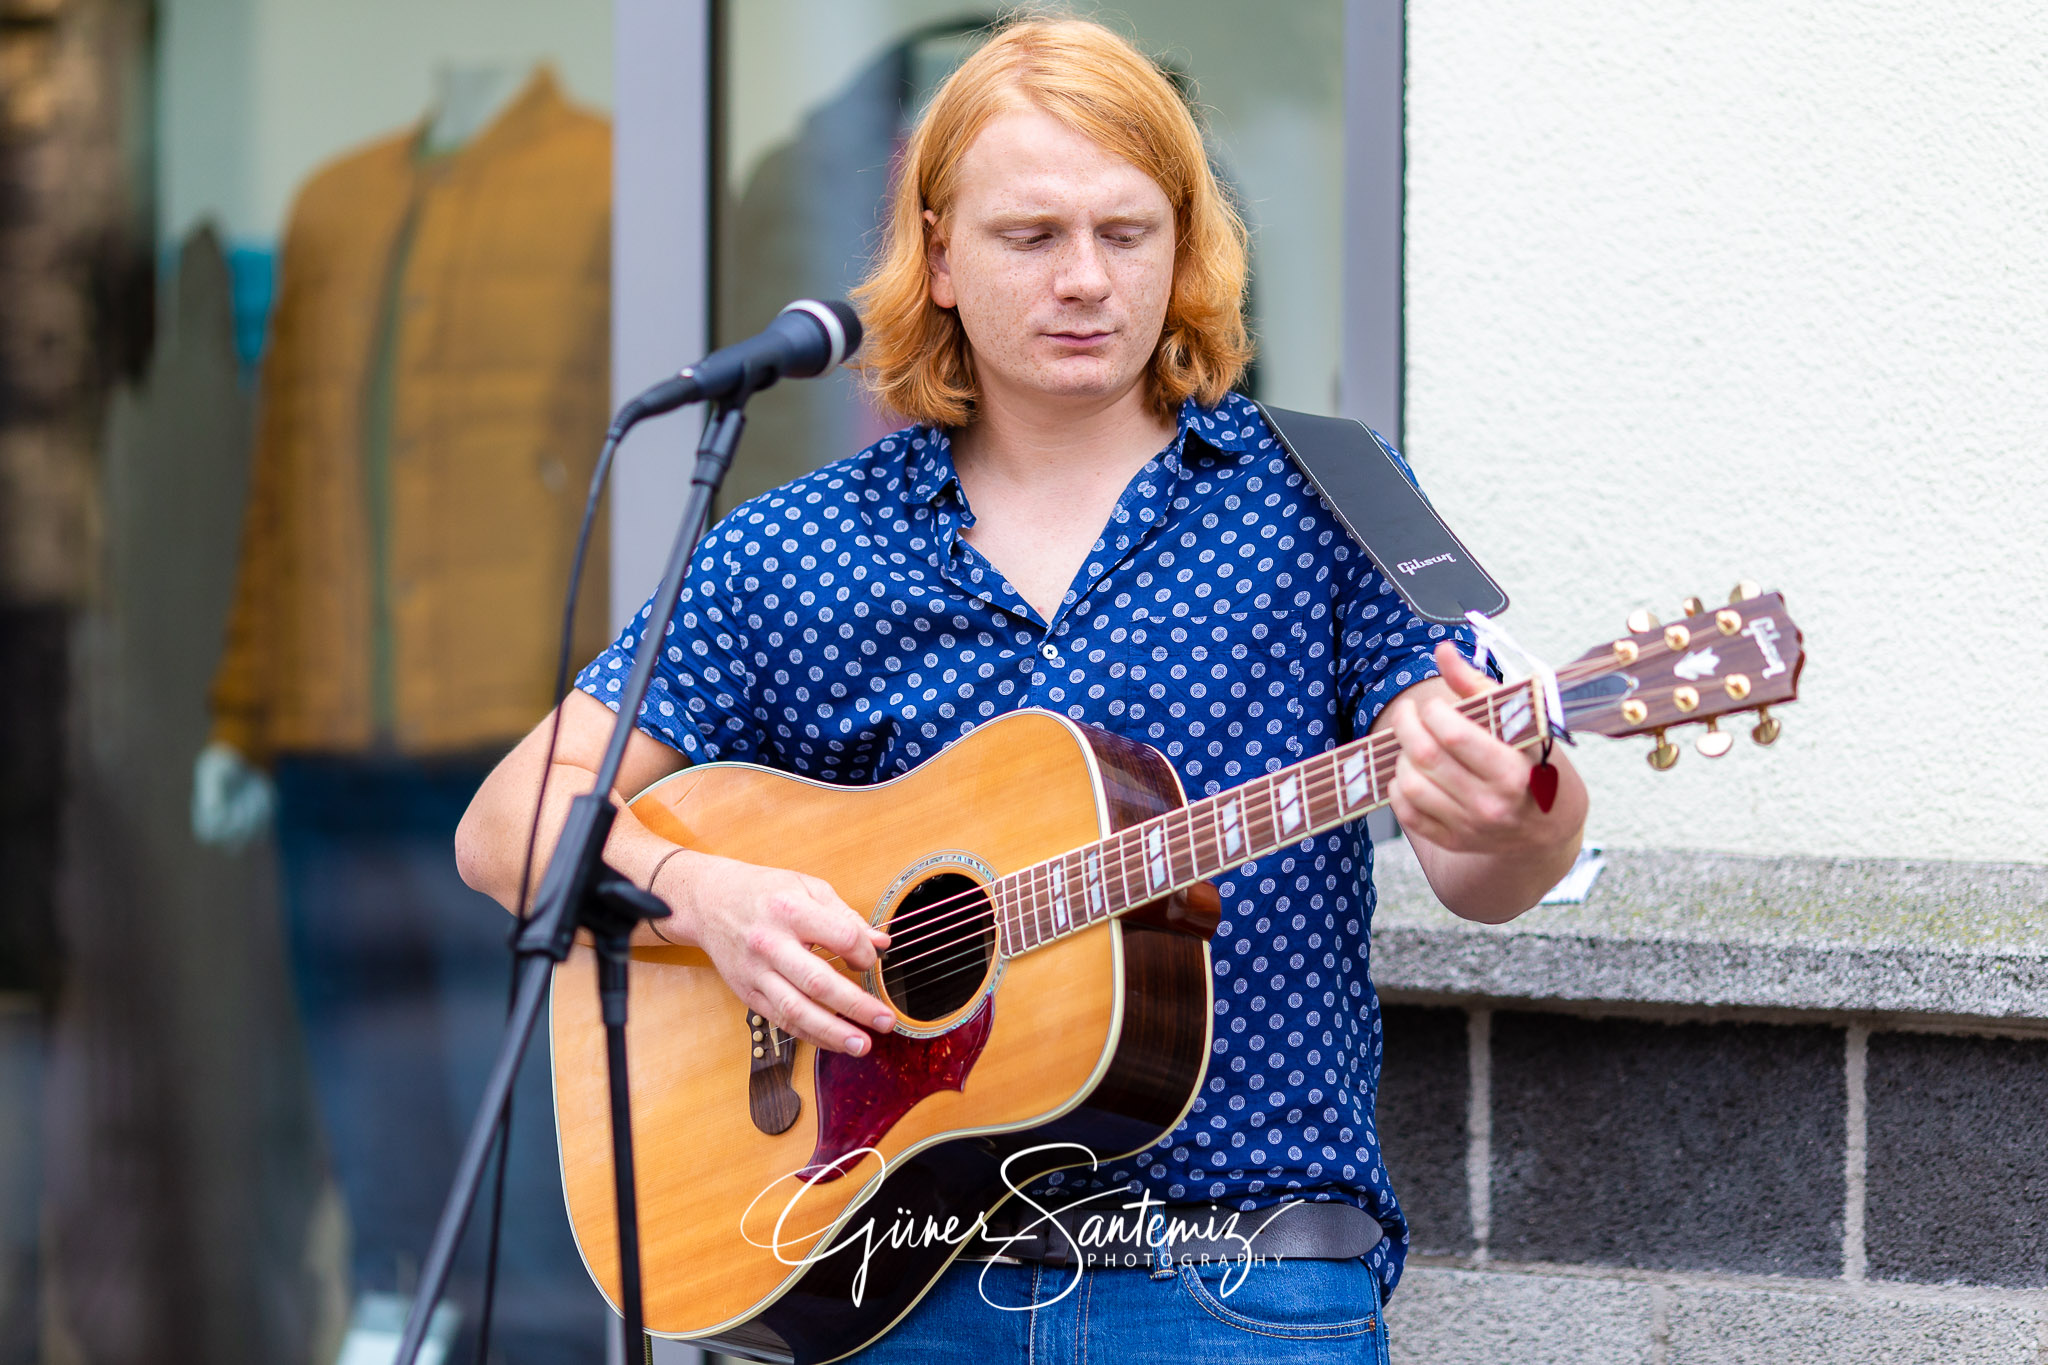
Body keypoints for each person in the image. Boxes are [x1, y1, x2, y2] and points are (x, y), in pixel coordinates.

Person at [455, 16, 1587, 1361]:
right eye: (1030, 235)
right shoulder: (797, 549)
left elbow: (1487, 861)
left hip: (1244, 1291)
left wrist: (1519, 809)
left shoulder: (1324, 492)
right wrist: (712, 897)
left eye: (1127, 231)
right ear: (935, 255)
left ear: (1185, 247)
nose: (1087, 279)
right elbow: (508, 821)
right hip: (900, 1291)